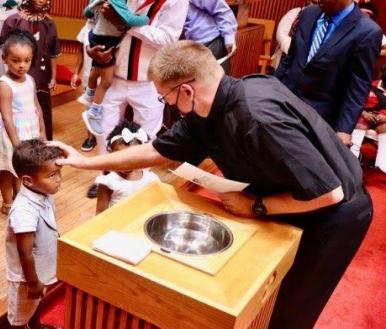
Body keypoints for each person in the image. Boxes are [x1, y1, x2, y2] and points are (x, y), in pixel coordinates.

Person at [50, 40, 374, 329]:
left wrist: (255, 206)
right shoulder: (209, 108)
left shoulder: (257, 117)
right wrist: (85, 161)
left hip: (333, 214)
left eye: (166, 98)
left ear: (187, 90)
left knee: (288, 305)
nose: (169, 106)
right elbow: (155, 150)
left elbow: (329, 192)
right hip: (290, 194)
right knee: (261, 290)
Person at [85, 0, 188, 198]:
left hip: (149, 81)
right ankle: (106, 180)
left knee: (147, 136)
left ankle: (139, 185)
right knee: (103, 131)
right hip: (111, 76)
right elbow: (94, 18)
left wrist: (127, 23)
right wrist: (90, 48)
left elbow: (167, 38)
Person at [275, 0, 382, 146]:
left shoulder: (367, 31)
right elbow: (290, 60)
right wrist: (271, 91)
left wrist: (344, 130)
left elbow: (358, 86)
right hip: (282, 105)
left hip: (318, 120)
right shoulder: (308, 13)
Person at [0, 30, 46, 215]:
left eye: (27, 60)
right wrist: (16, 143)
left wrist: (42, 130)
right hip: (12, 132)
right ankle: (7, 202)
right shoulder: (5, 84)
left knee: (21, 168)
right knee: (8, 168)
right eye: (16, 60)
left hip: (30, 128)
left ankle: (20, 196)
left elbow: (37, 106)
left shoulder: (30, 80)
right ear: (4, 59)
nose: (22, 65)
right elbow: (7, 117)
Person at [6, 139, 62, 329]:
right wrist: (32, 282)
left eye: (59, 173)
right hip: (27, 277)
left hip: (41, 270)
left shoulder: (44, 193)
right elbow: (25, 252)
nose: (59, 179)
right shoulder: (23, 211)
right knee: (20, 315)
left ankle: (36, 326)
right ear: (28, 180)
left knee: (35, 303)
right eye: (52, 175)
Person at [78, 0, 149, 136]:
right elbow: (129, 19)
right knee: (106, 81)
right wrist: (145, 19)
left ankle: (89, 93)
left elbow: (87, 13)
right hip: (106, 39)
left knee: (97, 71)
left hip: (96, 36)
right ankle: (94, 112)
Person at [0, 0, 59, 140]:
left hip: (43, 76)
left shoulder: (49, 24)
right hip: (18, 79)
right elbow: (5, 51)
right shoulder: (12, 21)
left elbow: (53, 53)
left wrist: (53, 77)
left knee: (41, 108)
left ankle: (44, 146)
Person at [95, 120, 159, 214]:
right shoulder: (107, 183)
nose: (126, 163)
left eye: (132, 157)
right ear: (110, 152)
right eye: (121, 157)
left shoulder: (151, 178)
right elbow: (100, 215)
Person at [183, 0, 237, 74]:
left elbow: (220, 8)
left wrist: (229, 37)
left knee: (219, 82)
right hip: (191, 49)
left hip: (211, 43)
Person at [350, 64, 386, 173]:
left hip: (383, 119)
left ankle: (381, 165)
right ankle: (352, 162)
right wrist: (365, 114)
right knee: (359, 125)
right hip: (365, 116)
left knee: (384, 128)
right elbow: (355, 102)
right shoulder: (370, 86)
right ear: (383, 73)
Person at [71, 20, 97, 152]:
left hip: (107, 78)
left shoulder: (114, 25)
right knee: (89, 108)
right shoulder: (87, 27)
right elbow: (81, 52)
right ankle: (90, 137)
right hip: (88, 77)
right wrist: (76, 73)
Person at [272, 0, 318, 70]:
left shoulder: (323, 20)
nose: (316, 7)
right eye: (314, 3)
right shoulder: (295, 13)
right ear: (308, 1)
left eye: (318, 4)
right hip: (286, 58)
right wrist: (295, 52)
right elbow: (281, 35)